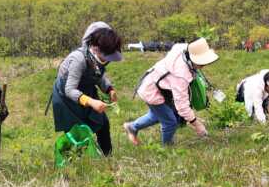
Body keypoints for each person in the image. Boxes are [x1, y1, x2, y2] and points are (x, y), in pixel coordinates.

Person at [123, 38, 217, 145]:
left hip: (156, 84)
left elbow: (178, 45)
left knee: (159, 115)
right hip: (152, 92)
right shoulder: (181, 75)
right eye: (201, 62)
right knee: (170, 122)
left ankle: (132, 127)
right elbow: (182, 105)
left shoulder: (183, 49)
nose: (203, 65)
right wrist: (197, 124)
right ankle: (167, 148)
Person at [52, 22, 123, 156]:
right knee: (76, 132)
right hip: (66, 98)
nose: (108, 60)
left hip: (86, 91)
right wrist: (91, 102)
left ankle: (107, 156)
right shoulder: (78, 59)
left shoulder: (97, 59)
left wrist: (109, 89)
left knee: (103, 123)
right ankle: (75, 161)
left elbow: (98, 75)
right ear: (95, 48)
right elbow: (69, 89)